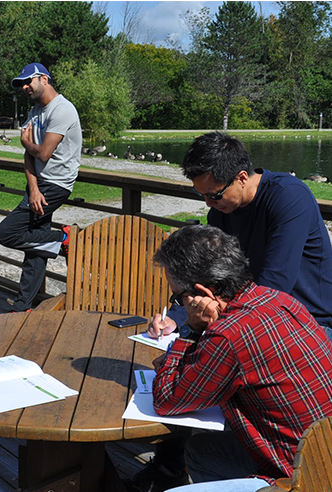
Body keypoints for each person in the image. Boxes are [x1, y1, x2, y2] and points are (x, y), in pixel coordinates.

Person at [132, 225, 332, 491]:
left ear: (202, 293)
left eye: (178, 297)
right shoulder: (282, 300)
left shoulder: (228, 334)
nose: (180, 305)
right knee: (200, 449)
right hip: (323, 451)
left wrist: (190, 330)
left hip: (300, 476)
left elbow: (167, 401)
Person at [170, 132, 332, 333]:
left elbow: (275, 284)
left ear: (242, 177)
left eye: (215, 195)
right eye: (201, 194)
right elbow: (209, 273)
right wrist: (176, 317)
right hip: (254, 314)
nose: (208, 203)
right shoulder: (220, 213)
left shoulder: (289, 197)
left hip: (310, 321)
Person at [0, 62, 82, 311]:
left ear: (44, 79)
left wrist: (25, 142)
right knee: (36, 248)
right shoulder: (35, 111)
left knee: (5, 233)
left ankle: (64, 237)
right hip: (40, 186)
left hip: (56, 185)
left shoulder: (62, 110)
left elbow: (41, 153)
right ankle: (23, 307)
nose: (24, 87)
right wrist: (33, 188)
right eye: (21, 84)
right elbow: (29, 157)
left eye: (27, 81)